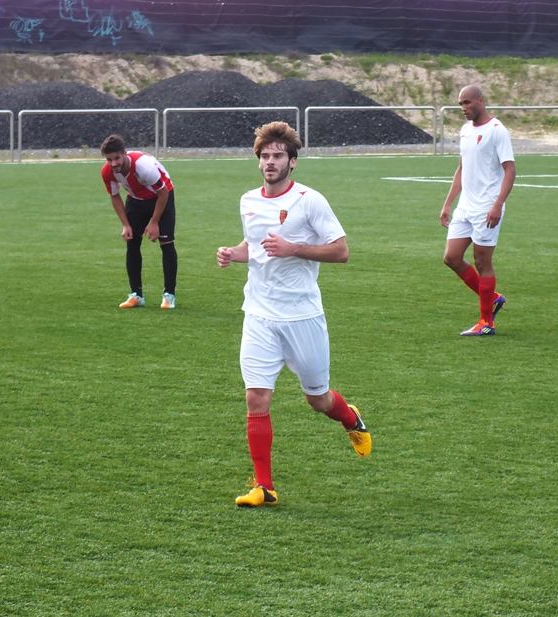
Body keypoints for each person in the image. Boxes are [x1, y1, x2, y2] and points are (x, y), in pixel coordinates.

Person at [216, 121, 371, 507]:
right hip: (259, 314)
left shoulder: (309, 201)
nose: (270, 162)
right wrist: (234, 253)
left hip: (302, 316)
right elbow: (255, 246)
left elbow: (341, 251)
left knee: (317, 400)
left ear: (293, 161)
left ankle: (350, 418)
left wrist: (293, 248)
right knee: (256, 396)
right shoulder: (248, 201)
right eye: (265, 156)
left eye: (278, 156)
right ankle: (264, 487)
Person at [440, 85, 516, 336]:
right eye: (461, 104)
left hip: (486, 208)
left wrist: (498, 205)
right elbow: (462, 168)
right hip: (465, 207)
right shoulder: (465, 130)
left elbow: (510, 170)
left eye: (467, 102)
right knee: (451, 258)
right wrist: (448, 203)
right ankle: (492, 298)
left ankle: (487, 323)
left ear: (481, 101)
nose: (463, 108)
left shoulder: (497, 131)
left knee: (482, 261)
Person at [100, 134, 178, 309]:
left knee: (166, 243)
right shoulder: (107, 171)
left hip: (162, 196)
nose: (113, 163)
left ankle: (169, 295)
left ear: (124, 153)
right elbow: (114, 196)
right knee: (132, 242)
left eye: (117, 158)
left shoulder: (143, 167)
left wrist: (154, 222)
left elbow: (163, 193)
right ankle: (136, 295)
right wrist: (126, 224)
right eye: (109, 159)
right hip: (136, 199)